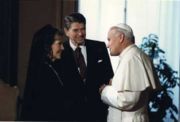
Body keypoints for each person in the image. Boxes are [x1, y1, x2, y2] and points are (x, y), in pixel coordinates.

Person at [99, 23, 161, 122]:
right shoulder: (135, 55)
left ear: (121, 38)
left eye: (109, 39)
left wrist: (105, 91)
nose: (107, 45)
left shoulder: (131, 58)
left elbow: (127, 100)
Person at [58, 12, 114, 121]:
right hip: (69, 114)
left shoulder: (99, 47)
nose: (80, 33)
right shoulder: (60, 51)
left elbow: (109, 76)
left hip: (97, 113)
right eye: (75, 30)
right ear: (66, 31)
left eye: (83, 29)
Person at [20, 24, 65, 121]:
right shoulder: (43, 73)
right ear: (48, 46)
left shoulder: (52, 67)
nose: (62, 48)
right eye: (59, 44)